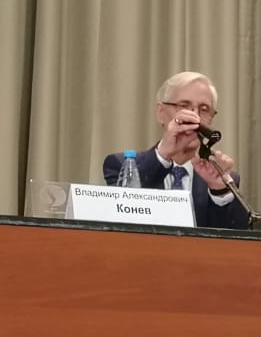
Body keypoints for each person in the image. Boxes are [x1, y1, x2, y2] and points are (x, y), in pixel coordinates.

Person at [102, 72, 250, 230]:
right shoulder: (122, 165)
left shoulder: (224, 179)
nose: (195, 117)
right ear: (161, 113)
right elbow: (121, 216)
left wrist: (219, 191)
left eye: (204, 109)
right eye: (184, 106)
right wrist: (164, 155)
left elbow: (237, 238)